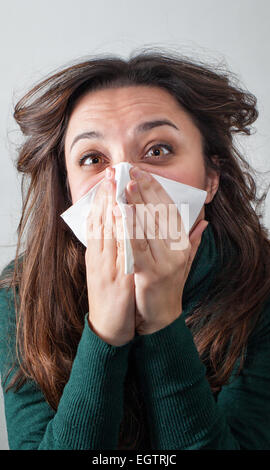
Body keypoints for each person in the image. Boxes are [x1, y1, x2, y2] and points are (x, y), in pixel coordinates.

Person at [0, 48, 270, 451]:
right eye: (93, 158)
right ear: (68, 189)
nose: (126, 182)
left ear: (211, 177)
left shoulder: (262, 285)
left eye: (157, 150)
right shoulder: (22, 294)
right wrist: (105, 332)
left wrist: (162, 321)